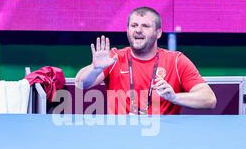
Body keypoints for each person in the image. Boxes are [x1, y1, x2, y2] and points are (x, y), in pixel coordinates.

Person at [75, 7, 217, 114]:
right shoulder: (114, 58)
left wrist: (174, 97)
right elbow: (81, 84)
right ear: (127, 30)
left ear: (158, 33)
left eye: (145, 26)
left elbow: (209, 99)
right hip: (119, 138)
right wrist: (95, 69)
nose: (138, 30)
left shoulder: (176, 61)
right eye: (134, 25)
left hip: (162, 139)